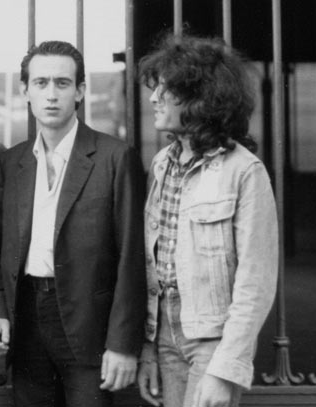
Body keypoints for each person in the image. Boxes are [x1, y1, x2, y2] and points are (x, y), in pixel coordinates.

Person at [0, 40, 146, 407]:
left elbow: (132, 260)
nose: (51, 94)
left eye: (62, 83)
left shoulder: (115, 158)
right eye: (40, 83)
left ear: (80, 91)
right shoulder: (10, 163)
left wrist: (122, 343)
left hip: (90, 325)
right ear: (25, 91)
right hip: (26, 322)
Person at [135, 34, 278, 407]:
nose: (153, 98)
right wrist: (149, 349)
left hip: (212, 341)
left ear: (200, 98)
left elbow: (256, 282)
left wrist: (224, 369)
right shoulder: (162, 164)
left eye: (165, 90)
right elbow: (153, 265)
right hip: (165, 333)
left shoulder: (244, 171)